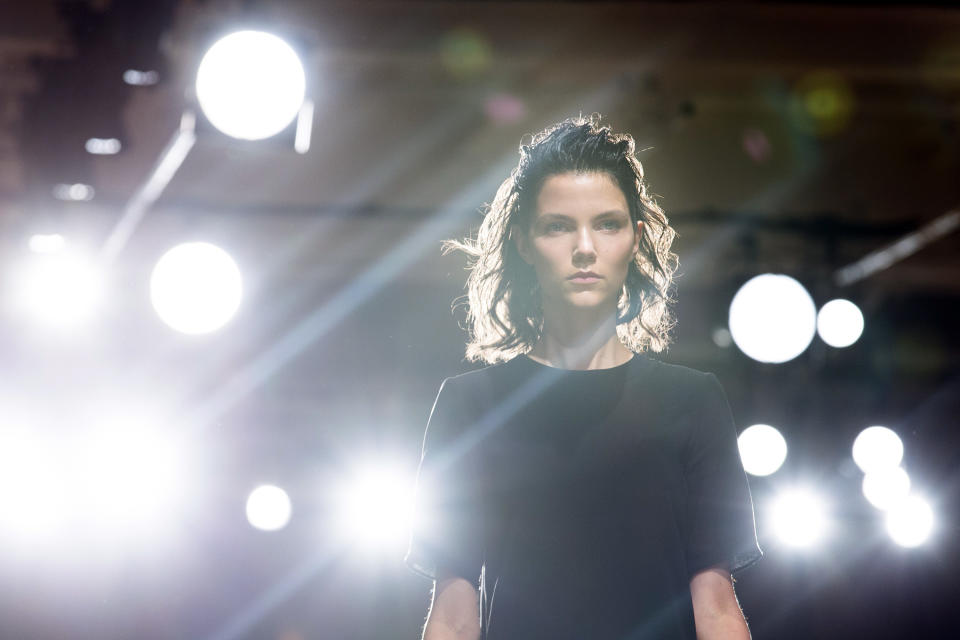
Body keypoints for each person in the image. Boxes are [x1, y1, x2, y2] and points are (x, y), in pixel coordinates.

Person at [405, 114, 762, 640]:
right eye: (558, 226)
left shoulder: (692, 402)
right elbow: (454, 618)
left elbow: (716, 607)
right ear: (526, 241)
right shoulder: (471, 404)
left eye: (607, 223)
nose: (585, 247)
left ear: (635, 239)